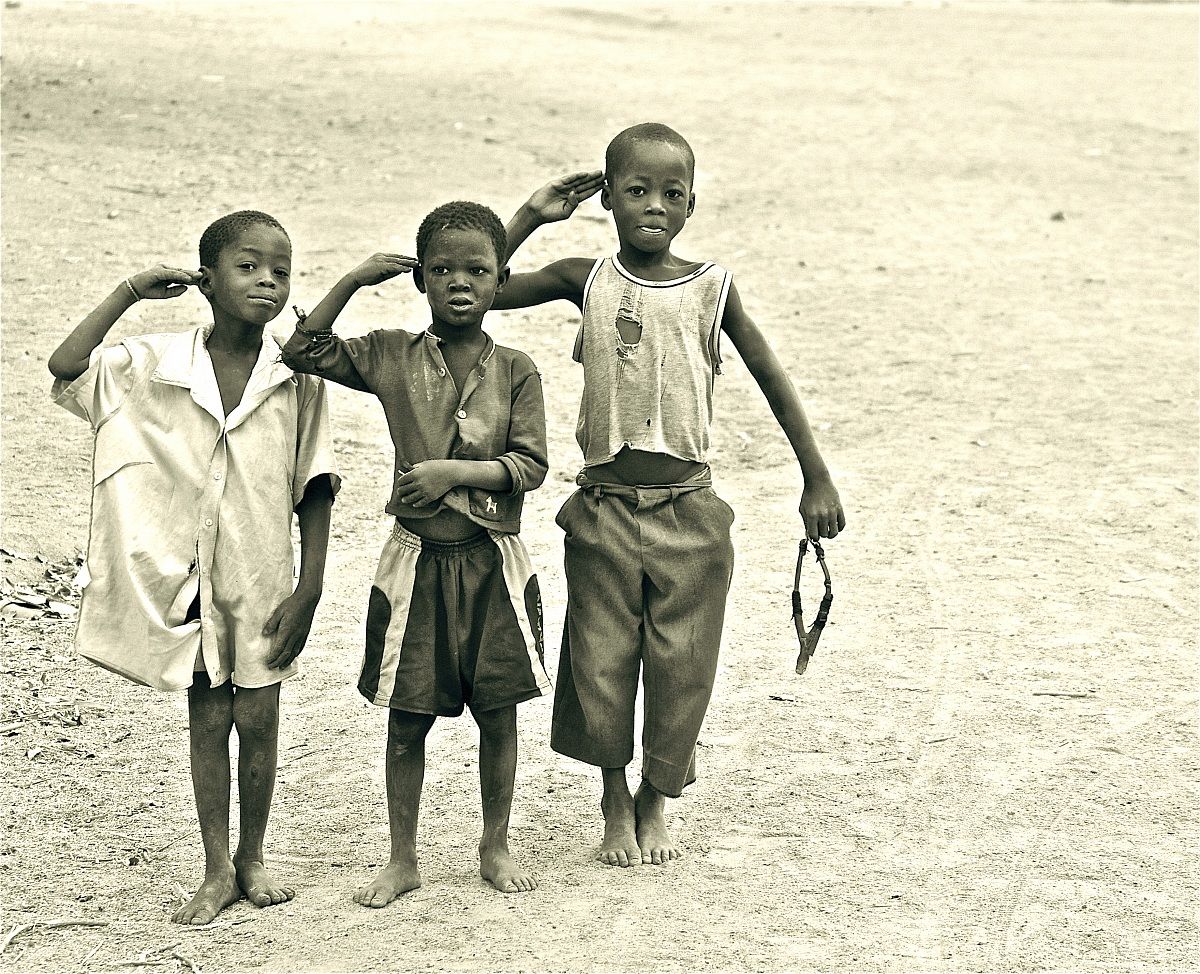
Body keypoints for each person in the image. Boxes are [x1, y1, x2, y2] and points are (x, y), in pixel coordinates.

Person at [495, 124, 846, 867]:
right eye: (635, 191)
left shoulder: (712, 286)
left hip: (689, 508)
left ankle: (657, 797)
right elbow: (478, 285)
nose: (654, 205)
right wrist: (532, 213)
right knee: (599, 661)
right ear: (609, 200)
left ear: (691, 204)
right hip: (605, 507)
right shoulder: (582, 278)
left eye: (671, 193)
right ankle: (614, 797)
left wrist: (815, 474)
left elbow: (770, 375)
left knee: (683, 664)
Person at [279, 173, 603, 903]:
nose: (461, 283)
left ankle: (495, 843)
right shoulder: (391, 354)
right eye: (445, 270)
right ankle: (402, 856)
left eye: (478, 270)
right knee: (406, 718)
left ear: (500, 280)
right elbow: (305, 350)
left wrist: (450, 472)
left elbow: (530, 466)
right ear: (421, 278)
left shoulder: (518, 370)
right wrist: (356, 280)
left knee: (498, 713)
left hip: (492, 563)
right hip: (414, 567)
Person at [48, 210, 339, 923]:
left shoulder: (296, 377)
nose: (267, 282)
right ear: (206, 281)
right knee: (208, 717)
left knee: (261, 718)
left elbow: (316, 487)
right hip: (189, 576)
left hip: (262, 571)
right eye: (248, 267)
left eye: (281, 271)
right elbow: (66, 368)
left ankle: (253, 860)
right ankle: (215, 868)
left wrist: (310, 587)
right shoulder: (154, 365)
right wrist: (128, 292)